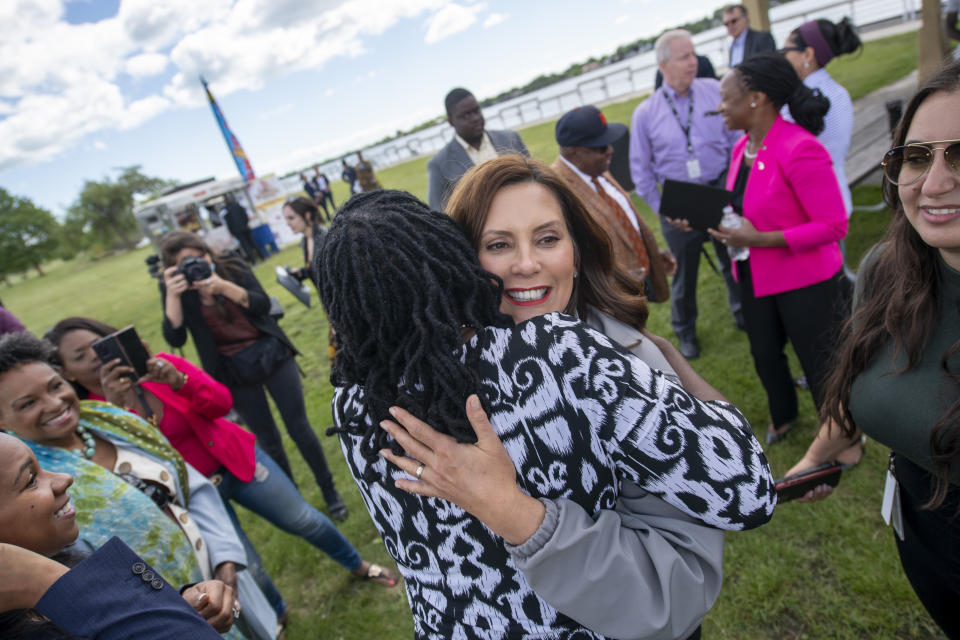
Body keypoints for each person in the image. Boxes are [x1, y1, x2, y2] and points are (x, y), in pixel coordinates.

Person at [318, 189, 776, 639]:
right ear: (452, 254)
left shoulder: (355, 410)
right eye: (498, 244)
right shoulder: (554, 352)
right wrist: (671, 366)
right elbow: (747, 490)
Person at [46, 317, 397, 621]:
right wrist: (119, 405)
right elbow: (145, 459)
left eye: (98, 346)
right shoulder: (95, 416)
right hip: (198, 496)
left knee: (304, 520)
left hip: (236, 461)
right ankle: (278, 615)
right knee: (247, 564)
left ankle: (358, 565)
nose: (94, 358)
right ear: (64, 371)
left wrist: (179, 381)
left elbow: (222, 403)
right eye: (80, 356)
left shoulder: (162, 366)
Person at [786, 60, 960, 637]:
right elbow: (856, 380)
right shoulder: (888, 269)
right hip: (923, 537)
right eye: (917, 156)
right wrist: (819, 456)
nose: (932, 184)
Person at [0, 332, 277, 639]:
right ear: (1, 420)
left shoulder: (112, 419)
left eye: (55, 385)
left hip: (209, 582)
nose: (54, 402)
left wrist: (224, 559)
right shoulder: (17, 485)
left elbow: (189, 488)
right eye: (28, 403)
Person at [158, 230, 349, 521]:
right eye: (186, 263)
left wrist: (224, 287)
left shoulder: (231, 266)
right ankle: (295, 500)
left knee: (299, 427)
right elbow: (176, 336)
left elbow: (263, 305)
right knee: (268, 439)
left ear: (208, 253)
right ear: (173, 269)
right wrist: (173, 294)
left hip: (271, 352)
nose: (197, 265)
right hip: (233, 370)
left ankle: (330, 492)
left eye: (200, 256)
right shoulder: (179, 292)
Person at [709, 52, 849, 445]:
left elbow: (834, 224)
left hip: (806, 281)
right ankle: (783, 415)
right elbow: (742, 204)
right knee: (765, 356)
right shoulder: (743, 148)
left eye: (726, 97)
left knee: (820, 363)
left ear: (756, 98)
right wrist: (703, 216)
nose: (719, 107)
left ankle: (844, 438)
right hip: (754, 277)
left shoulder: (799, 148)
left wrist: (760, 240)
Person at [0, 432, 234, 639]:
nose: (64, 479)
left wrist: (179, 605)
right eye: (31, 480)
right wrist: (49, 581)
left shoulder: (67, 560)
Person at [630, 29, 745, 359]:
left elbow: (735, 143)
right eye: (685, 57)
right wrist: (665, 212)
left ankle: (742, 313)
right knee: (683, 278)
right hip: (677, 205)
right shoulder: (646, 113)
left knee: (733, 261)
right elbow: (641, 173)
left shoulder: (713, 91)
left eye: (694, 54)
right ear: (664, 64)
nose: (693, 62)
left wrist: (732, 192)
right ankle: (685, 333)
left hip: (719, 192)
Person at [551, 105, 676, 304]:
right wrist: (618, 280)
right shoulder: (556, 191)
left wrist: (647, 254)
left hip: (639, 278)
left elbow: (618, 221)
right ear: (574, 153)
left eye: (609, 143)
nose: (610, 151)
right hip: (609, 300)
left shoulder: (596, 169)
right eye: (600, 147)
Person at [780, 18, 862, 218]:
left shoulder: (798, 102)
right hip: (839, 195)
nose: (782, 57)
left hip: (808, 205)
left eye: (785, 51)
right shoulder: (840, 92)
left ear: (807, 54)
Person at [427, 87, 530, 211]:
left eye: (476, 111)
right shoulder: (439, 164)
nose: (475, 118)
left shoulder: (511, 138)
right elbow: (439, 212)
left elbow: (535, 180)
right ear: (451, 121)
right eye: (465, 116)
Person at [223, 194, 263, 265]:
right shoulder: (238, 206)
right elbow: (245, 215)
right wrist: (246, 223)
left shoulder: (226, 211)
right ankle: (262, 257)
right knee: (252, 242)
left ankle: (254, 261)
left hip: (238, 231)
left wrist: (232, 232)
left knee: (245, 246)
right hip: (245, 227)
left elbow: (228, 223)